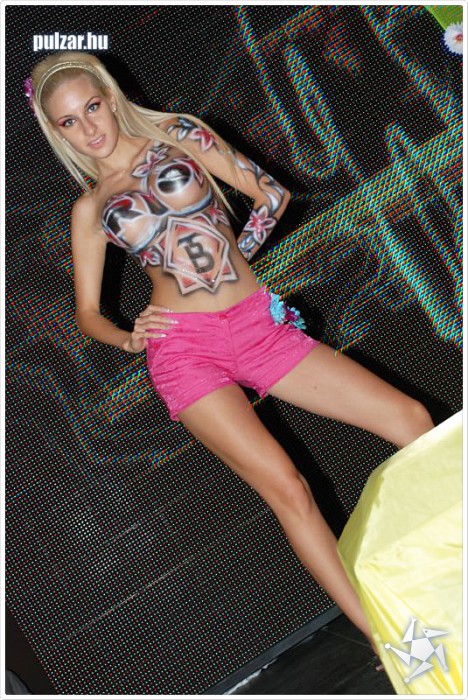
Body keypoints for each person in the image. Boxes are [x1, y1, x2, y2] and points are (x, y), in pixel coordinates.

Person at [26, 50, 434, 663]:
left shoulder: (178, 134)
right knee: (289, 490)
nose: (88, 127)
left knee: (411, 420)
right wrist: (128, 336)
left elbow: (270, 194)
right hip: (183, 353)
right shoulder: (90, 208)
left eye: (91, 107)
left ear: (109, 98)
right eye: (68, 121)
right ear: (57, 132)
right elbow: (87, 313)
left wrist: (231, 262)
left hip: (257, 327)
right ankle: (392, 642)